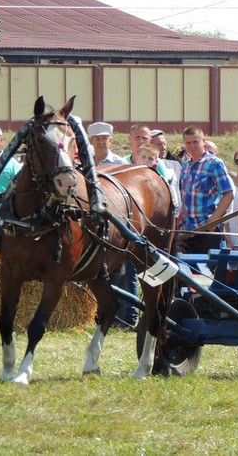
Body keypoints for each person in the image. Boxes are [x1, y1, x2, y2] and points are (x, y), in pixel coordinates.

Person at [86, 121, 137, 328]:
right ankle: (104, 317)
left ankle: (127, 319)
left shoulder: (119, 164)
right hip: (94, 226)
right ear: (91, 141)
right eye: (97, 139)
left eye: (104, 138)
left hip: (117, 223)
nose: (100, 142)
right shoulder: (85, 163)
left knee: (123, 273)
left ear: (111, 140)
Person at [177, 126, 235, 254]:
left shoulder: (214, 163)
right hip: (186, 229)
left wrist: (213, 220)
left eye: (195, 142)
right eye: (188, 143)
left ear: (203, 141)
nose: (192, 146)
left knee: (206, 271)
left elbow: (228, 194)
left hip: (206, 228)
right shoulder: (185, 165)